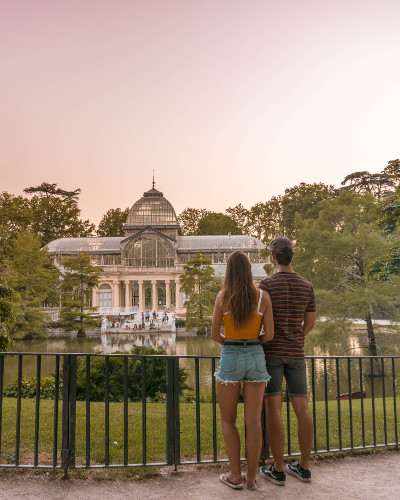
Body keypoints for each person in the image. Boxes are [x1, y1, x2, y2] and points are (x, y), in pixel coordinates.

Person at [211, 251, 274, 490]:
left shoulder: (222, 297)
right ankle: (251, 479)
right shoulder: (262, 298)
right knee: (254, 422)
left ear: (229, 271)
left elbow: (215, 334)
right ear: (249, 271)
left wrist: (231, 340)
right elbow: (269, 335)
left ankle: (235, 476)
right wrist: (252, 339)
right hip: (256, 355)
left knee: (228, 419)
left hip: (231, 354)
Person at [259, 237, 316, 486]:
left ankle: (279, 469)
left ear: (274, 257)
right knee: (302, 409)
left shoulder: (266, 285)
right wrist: (295, 337)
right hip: (296, 353)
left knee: (274, 409)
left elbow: (259, 320)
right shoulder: (307, 286)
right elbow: (310, 323)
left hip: (271, 353)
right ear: (291, 256)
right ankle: (304, 467)